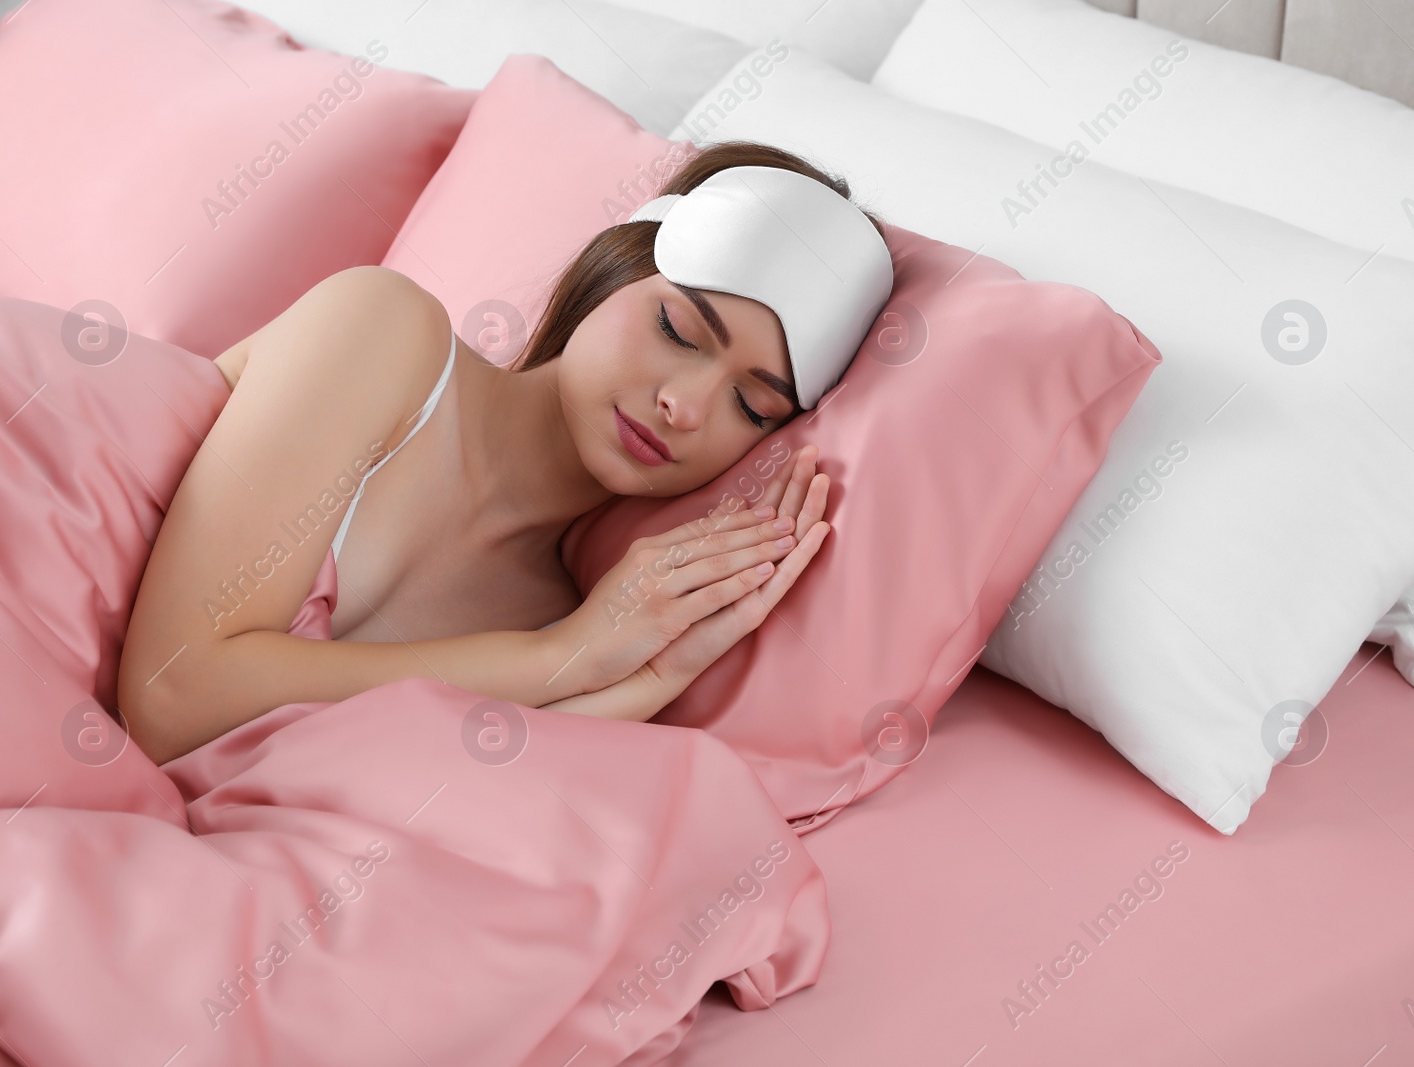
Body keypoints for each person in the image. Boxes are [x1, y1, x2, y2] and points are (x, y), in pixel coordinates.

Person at [117, 140, 895, 764]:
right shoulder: (383, 332)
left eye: (750, 407)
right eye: (677, 331)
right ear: (613, 269)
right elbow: (170, 696)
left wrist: (657, 673)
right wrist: (563, 656)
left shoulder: (560, 616)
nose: (684, 407)